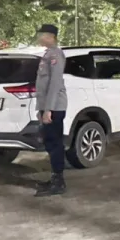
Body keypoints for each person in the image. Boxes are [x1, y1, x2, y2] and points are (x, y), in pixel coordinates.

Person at [34, 24, 68, 197]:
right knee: (49, 142)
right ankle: (54, 177)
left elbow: (54, 83)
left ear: (50, 36)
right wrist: (40, 109)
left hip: (54, 107)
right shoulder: (47, 54)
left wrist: (48, 110)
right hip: (47, 107)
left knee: (55, 143)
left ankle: (59, 182)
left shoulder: (56, 54)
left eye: (42, 35)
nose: (39, 38)